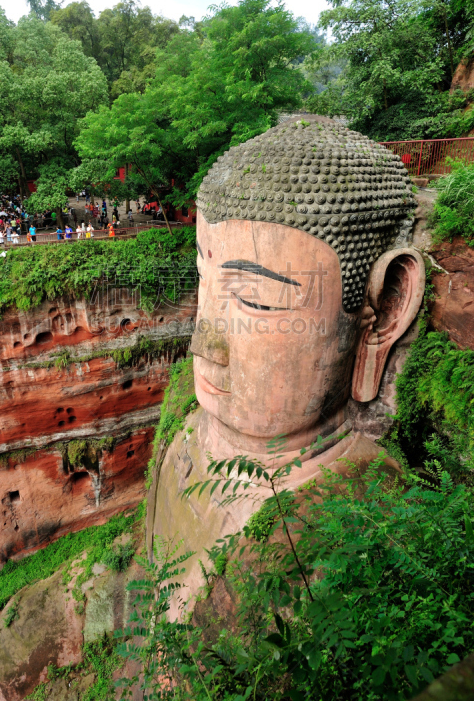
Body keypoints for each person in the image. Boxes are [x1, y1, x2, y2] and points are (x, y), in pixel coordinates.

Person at [150, 114, 424, 618]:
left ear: (382, 313)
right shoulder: (188, 430)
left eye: (255, 299)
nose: (202, 345)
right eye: (202, 280)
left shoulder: (362, 516)